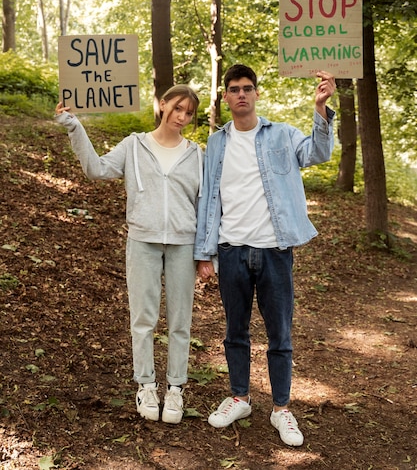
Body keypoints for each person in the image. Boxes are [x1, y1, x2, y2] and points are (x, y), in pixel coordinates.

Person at [194, 64, 336, 446]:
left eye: (248, 88)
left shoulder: (282, 135)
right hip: (231, 250)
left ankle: (281, 409)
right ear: (225, 97)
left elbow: (318, 152)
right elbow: (209, 197)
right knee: (234, 332)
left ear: (257, 94)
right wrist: (204, 252)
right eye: (234, 89)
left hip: (274, 251)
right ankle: (239, 397)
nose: (241, 94)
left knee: (280, 334)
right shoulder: (217, 144)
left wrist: (321, 107)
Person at [55, 85, 203, 425]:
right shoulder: (134, 145)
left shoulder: (197, 155)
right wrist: (75, 127)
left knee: (180, 322)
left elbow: (207, 206)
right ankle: (147, 385)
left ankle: (176, 390)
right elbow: (96, 169)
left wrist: (208, 252)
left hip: (183, 244)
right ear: (162, 105)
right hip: (142, 241)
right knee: (143, 320)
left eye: (189, 112)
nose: (182, 116)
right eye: (177, 108)